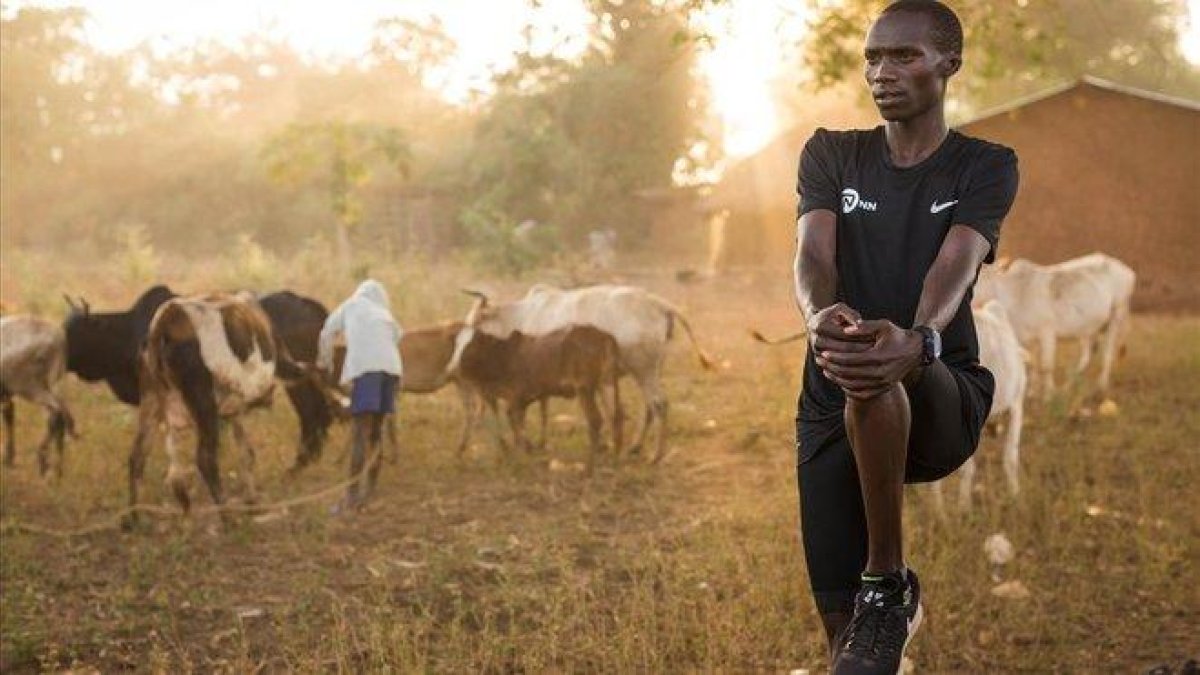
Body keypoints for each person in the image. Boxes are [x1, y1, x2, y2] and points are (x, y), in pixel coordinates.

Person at [792, 2, 1019, 673]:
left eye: (903, 56)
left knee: (881, 366)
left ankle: (888, 583)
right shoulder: (831, 152)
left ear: (949, 63)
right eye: (872, 57)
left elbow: (958, 261)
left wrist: (920, 338)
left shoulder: (984, 165)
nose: (881, 72)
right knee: (850, 653)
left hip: (941, 392)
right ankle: (874, 617)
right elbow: (813, 254)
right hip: (830, 402)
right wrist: (816, 314)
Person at [318, 279, 403, 512]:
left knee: (359, 433)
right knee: (376, 433)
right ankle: (370, 494)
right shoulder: (383, 312)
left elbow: (327, 331)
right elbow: (398, 335)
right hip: (391, 372)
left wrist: (325, 363)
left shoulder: (352, 305)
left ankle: (351, 498)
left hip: (367, 372)